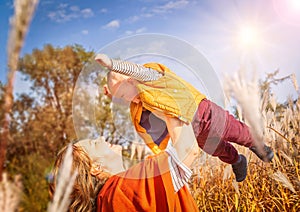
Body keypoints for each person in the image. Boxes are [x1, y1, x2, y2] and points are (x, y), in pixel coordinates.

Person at [95, 54, 274, 182]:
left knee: (235, 131)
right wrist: (111, 94)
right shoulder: (140, 100)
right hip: (192, 130)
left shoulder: (151, 77)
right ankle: (237, 160)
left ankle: (257, 145)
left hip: (203, 112)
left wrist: (112, 64)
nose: (128, 101)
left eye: (125, 96)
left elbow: (133, 70)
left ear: (132, 80)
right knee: (217, 149)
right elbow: (124, 96)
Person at [49, 135, 199, 211]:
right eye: (94, 143)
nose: (101, 138)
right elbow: (188, 149)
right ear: (95, 167)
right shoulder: (124, 188)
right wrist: (175, 103)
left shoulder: (107, 201)